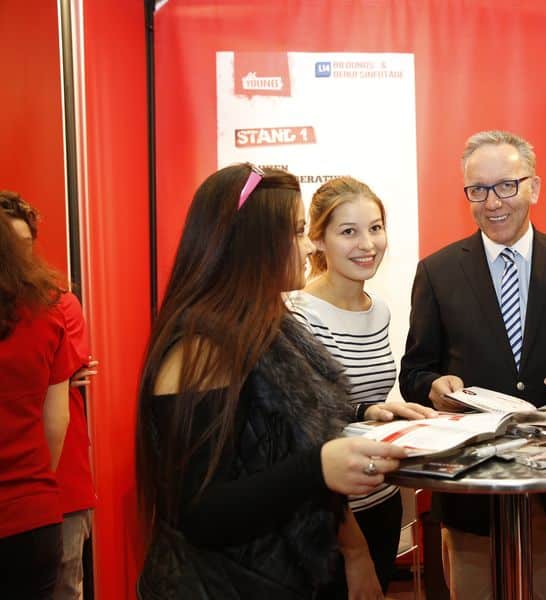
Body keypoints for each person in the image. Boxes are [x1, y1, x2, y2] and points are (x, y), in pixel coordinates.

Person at [135, 163, 407, 599]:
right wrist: (317, 467)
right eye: (297, 232)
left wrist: (352, 551)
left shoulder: (272, 328)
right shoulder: (200, 347)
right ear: (254, 243)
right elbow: (199, 512)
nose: (306, 247)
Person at [399, 130, 546, 599]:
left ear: (534, 187)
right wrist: (434, 386)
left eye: (506, 185)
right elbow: (414, 373)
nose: (492, 202)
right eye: (477, 190)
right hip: (472, 492)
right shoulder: (437, 273)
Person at [285, 176, 437, 595]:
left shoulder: (380, 311)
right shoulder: (297, 314)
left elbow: (355, 406)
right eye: (348, 232)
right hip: (329, 514)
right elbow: (306, 432)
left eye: (375, 228)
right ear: (317, 240)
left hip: (382, 500)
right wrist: (351, 547)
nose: (367, 244)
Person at [1, 190, 99, 600]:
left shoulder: (56, 306)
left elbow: (56, 413)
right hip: (36, 499)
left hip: (53, 490)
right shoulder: (48, 312)